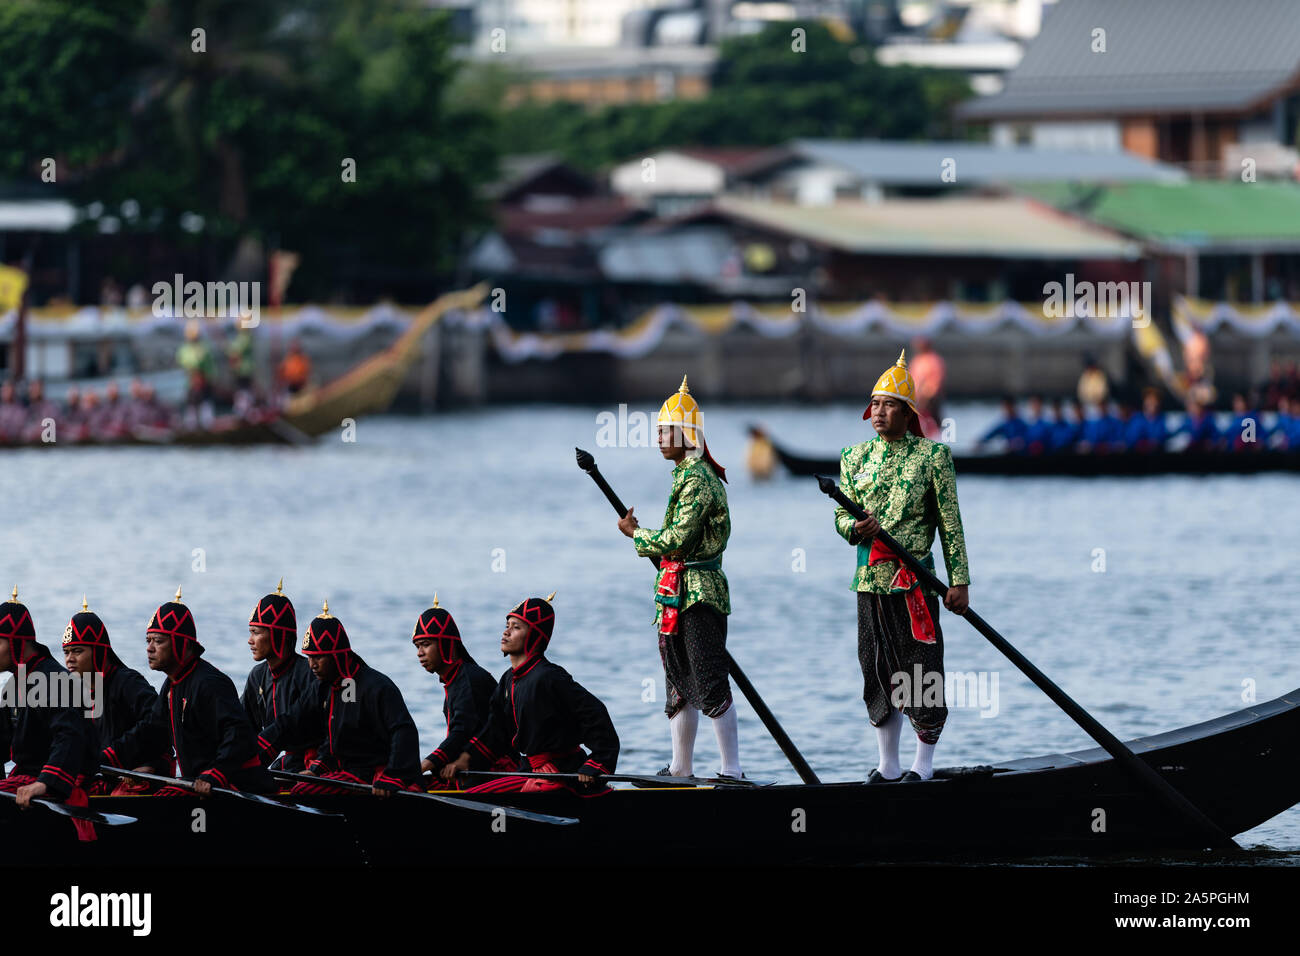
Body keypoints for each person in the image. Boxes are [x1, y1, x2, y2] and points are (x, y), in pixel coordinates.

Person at [833, 351, 971, 784]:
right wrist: (855, 527)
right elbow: (839, 520)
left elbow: (950, 524)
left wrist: (960, 581)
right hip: (869, 581)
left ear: (909, 412)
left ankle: (922, 766)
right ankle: (888, 766)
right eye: (874, 404)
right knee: (875, 667)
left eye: (889, 404)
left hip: (915, 582)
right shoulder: (853, 458)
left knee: (920, 668)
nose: (879, 412)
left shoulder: (934, 458)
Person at [617, 375, 741, 780]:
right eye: (657, 431)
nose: (659, 438)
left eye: (665, 431)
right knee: (678, 683)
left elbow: (680, 538)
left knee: (709, 680)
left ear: (687, 434)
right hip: (673, 591)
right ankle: (681, 767)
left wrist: (638, 534)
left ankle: (731, 770)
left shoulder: (700, 479)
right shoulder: (684, 476)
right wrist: (648, 539)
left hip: (699, 593)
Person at [102, 587, 270, 796]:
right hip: (198, 782)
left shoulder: (208, 682)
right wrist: (106, 757)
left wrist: (216, 772)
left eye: (159, 641)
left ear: (183, 644)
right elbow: (149, 731)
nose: (149, 648)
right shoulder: (172, 685)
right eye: (148, 640)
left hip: (237, 784)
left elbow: (239, 735)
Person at [445, 594, 619, 794]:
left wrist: (595, 765)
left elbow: (595, 713)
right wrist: (465, 759)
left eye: (516, 627)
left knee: (472, 799)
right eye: (507, 624)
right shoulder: (507, 680)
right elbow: (495, 730)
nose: (506, 631)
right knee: (468, 793)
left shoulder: (549, 676)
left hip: (560, 772)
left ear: (534, 636)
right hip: (529, 769)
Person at [258, 601, 420, 797]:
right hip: (344, 773)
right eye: (309, 657)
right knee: (279, 783)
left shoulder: (377, 686)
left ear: (336, 656)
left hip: (374, 776)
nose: (312, 665)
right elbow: (288, 723)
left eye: (318, 657)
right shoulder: (324, 686)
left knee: (302, 791)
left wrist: (393, 776)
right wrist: (247, 760)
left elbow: (403, 731)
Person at [0, 588, 97, 836]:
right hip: (25, 780)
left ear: (15, 642)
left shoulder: (53, 679)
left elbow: (70, 736)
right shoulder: (14, 685)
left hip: (56, 785)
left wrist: (43, 783)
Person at [62, 597, 167, 795]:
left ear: (99, 652)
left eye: (77, 651)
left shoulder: (128, 682)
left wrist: (149, 763)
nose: (70, 659)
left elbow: (158, 725)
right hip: (102, 774)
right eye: (66, 652)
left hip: (140, 772)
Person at [413, 596, 510, 789]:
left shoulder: (470, 678)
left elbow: (464, 730)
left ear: (446, 644)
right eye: (417, 647)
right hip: (469, 767)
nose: (419, 653)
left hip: (495, 768)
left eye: (426, 644)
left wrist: (426, 763)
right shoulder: (455, 679)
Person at [241, 580, 317, 772]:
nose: (250, 641)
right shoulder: (257, 676)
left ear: (277, 634)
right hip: (283, 764)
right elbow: (242, 728)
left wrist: (317, 767)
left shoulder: (309, 674)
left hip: (314, 764)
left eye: (256, 633)